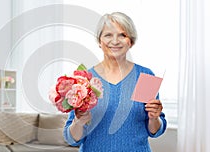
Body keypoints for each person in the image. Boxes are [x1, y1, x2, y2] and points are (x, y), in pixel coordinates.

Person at [63, 12, 167, 151]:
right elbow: (72, 139)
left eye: (122, 35)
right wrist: (79, 122)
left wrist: (154, 118)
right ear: (99, 41)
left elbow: (155, 131)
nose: (115, 41)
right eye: (108, 35)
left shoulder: (145, 76)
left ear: (131, 41)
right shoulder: (85, 79)